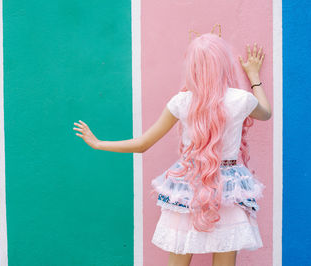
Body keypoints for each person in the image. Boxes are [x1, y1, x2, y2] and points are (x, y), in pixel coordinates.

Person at [73, 33, 272, 266]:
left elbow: (143, 143)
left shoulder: (182, 102)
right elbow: (266, 114)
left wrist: (99, 144)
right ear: (223, 65)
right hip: (230, 189)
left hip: (188, 186)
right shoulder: (241, 100)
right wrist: (254, 76)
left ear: (193, 67)